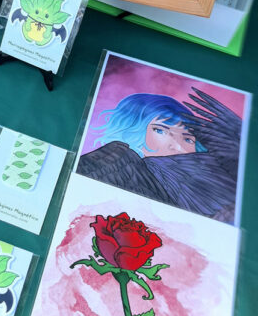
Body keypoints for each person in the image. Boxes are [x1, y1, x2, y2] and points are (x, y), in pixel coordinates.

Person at [77, 89, 241, 222]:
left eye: (188, 139)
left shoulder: (209, 182)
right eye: (161, 131)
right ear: (134, 132)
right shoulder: (117, 162)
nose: (178, 146)